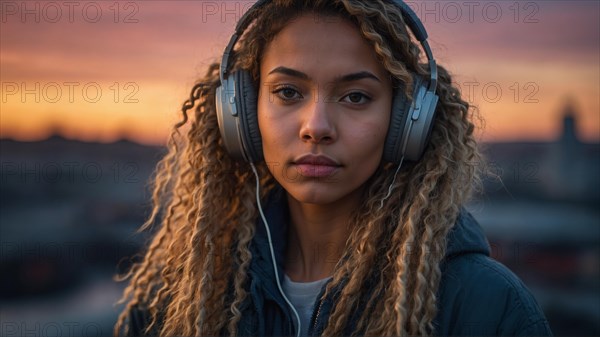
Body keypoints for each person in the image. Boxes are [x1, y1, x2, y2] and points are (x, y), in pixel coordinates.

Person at [114, 1, 553, 336]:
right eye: (287, 92)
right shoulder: (176, 297)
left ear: (406, 123)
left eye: (356, 97)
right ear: (242, 115)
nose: (316, 127)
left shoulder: (488, 307)